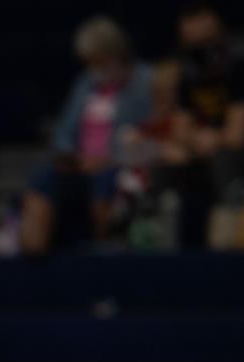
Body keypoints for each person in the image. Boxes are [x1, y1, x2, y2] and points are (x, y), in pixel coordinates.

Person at [20, 16, 154, 254]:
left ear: (116, 53)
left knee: (106, 184)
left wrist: (109, 159)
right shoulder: (85, 84)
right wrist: (72, 157)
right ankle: (30, 262)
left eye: (100, 61)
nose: (95, 68)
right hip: (81, 165)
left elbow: (148, 134)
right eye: (90, 62)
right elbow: (63, 133)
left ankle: (102, 255)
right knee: (43, 181)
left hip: (118, 165)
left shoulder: (145, 82)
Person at [162, 3, 244, 243]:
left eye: (207, 39)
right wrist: (191, 143)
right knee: (168, 158)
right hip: (210, 144)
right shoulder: (189, 73)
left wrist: (204, 140)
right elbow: (180, 128)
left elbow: (238, 136)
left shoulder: (243, 66)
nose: (201, 47)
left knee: (224, 158)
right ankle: (161, 244)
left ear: (220, 34)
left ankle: (234, 239)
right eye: (193, 41)